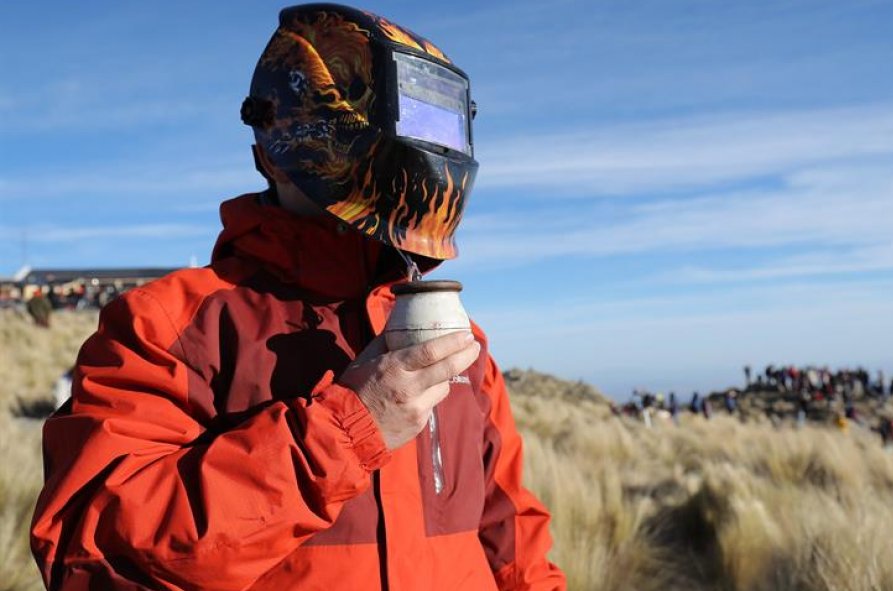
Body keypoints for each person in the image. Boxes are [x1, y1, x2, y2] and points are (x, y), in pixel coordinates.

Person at [30, 6, 565, 590]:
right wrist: (348, 429)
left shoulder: (466, 344)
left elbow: (513, 536)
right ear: (279, 150)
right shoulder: (169, 325)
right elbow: (94, 557)